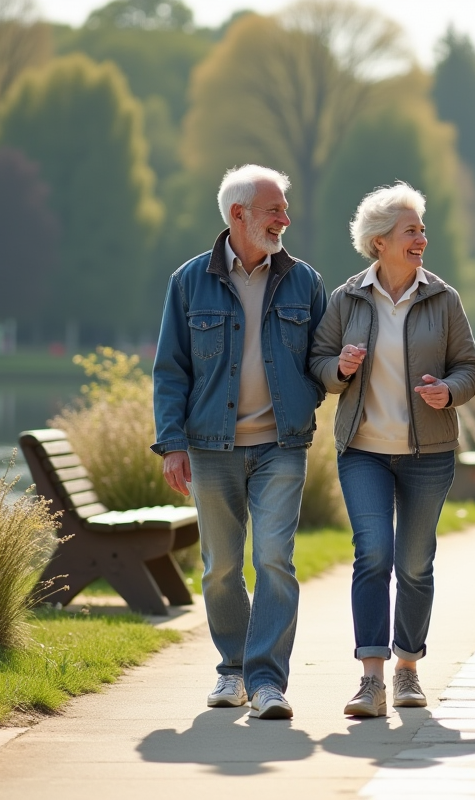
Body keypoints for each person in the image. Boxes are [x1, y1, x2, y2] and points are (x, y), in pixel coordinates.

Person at [152, 164, 327, 721]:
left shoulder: (304, 281)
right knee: (221, 567)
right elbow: (170, 371)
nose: (285, 219)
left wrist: (313, 390)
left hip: (281, 445)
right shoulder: (189, 281)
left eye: (284, 209)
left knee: (275, 559)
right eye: (274, 210)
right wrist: (172, 442)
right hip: (210, 447)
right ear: (238, 215)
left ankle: (268, 681)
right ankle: (233, 671)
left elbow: (320, 362)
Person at [309, 183, 475, 718]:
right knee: (373, 554)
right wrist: (339, 368)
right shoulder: (347, 298)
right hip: (362, 449)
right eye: (411, 230)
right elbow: (317, 360)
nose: (421, 239)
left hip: (428, 454)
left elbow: (471, 368)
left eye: (422, 230)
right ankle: (371, 678)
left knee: (414, 562)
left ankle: (408, 668)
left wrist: (448, 391)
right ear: (379, 241)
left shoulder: (443, 298)